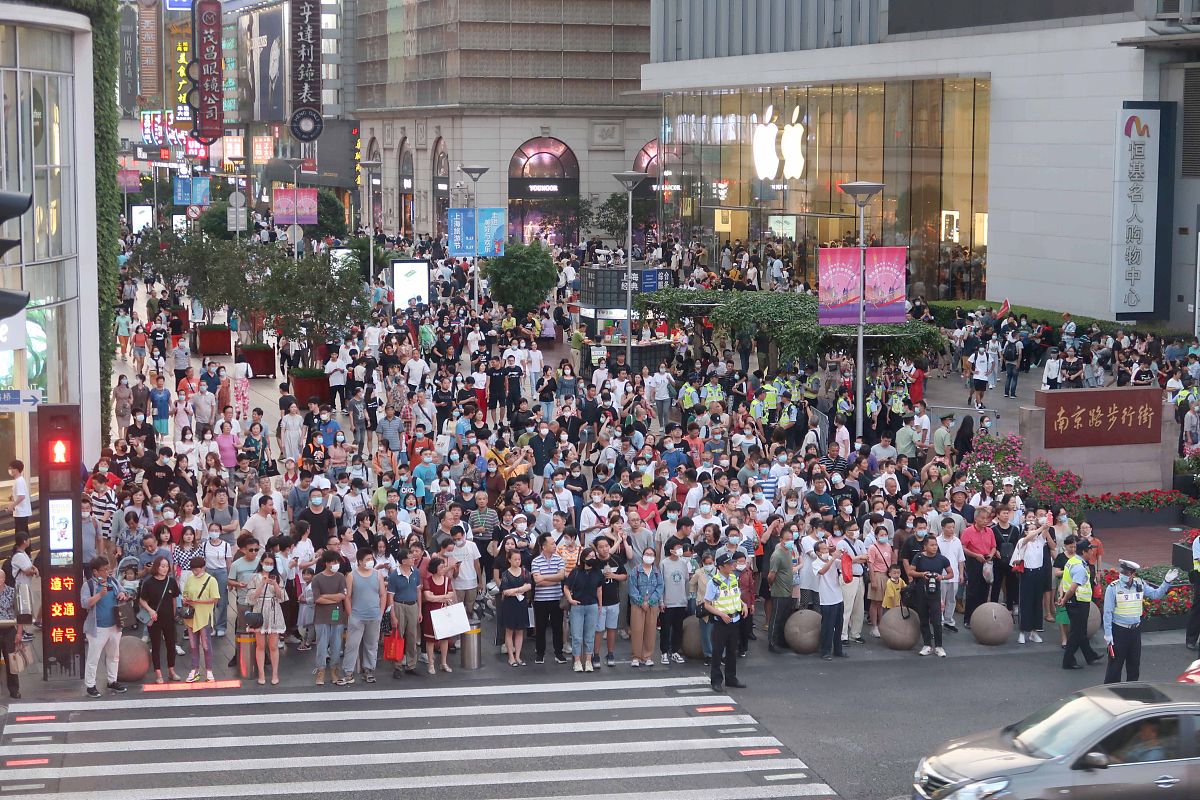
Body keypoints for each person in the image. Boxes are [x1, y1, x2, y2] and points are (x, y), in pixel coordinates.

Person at [1102, 560, 1177, 684]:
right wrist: (1108, 635)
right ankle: (1110, 694)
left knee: (1134, 665)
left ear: (1132, 574)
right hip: (1119, 631)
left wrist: (1166, 582)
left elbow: (1155, 595)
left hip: (1135, 631)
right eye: (1122, 572)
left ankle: (1132, 692)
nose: (1123, 575)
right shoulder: (1113, 588)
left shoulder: (1139, 584)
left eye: (1126, 573)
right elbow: (1108, 613)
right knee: (1115, 667)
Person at [81, 556, 129, 697]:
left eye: (108, 568)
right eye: (104, 569)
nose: (108, 572)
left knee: (114, 655)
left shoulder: (113, 581)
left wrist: (122, 594)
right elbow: (85, 604)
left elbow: (125, 593)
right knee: (93, 657)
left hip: (115, 625)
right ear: (95, 572)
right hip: (97, 627)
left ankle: (112, 680)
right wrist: (99, 595)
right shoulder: (88, 585)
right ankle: (90, 685)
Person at [341, 547, 387, 685]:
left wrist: (380, 612)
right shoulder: (352, 576)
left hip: (374, 616)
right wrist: (350, 615)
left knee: (371, 645)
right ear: (359, 561)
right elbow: (347, 597)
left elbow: (383, 594)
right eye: (367, 559)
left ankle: (369, 670)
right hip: (357, 616)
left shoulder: (377, 574)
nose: (370, 562)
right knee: (352, 645)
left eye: (371, 559)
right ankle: (348, 672)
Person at [704, 552, 747, 691]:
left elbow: (735, 596)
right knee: (717, 652)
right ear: (721, 567)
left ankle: (731, 678)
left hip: (735, 619)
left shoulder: (733, 578)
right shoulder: (714, 582)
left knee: (732, 651)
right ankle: (716, 680)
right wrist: (721, 614)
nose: (732, 566)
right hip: (721, 621)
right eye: (729, 564)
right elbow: (707, 604)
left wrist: (743, 604)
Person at [1059, 535, 1101, 670]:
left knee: (1081, 631)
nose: (1092, 552)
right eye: (1090, 550)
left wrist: (1062, 596)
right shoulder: (1080, 568)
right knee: (1077, 632)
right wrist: (1064, 599)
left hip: (1074, 600)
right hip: (1078, 601)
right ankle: (1068, 661)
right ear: (1083, 552)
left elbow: (1064, 581)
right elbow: (1073, 587)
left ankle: (1090, 655)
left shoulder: (1072, 561)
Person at [137, 554, 181, 683]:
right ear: (157, 567)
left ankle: (171, 670)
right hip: (154, 619)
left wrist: (173, 615)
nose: (165, 568)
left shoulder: (171, 581)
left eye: (167, 566)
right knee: (156, 646)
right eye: (162, 566)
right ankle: (158, 673)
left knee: (171, 645)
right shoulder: (149, 582)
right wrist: (150, 611)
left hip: (168, 619)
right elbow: (142, 600)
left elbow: (174, 599)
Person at [247, 552, 288, 685]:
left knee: (273, 646)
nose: (269, 566)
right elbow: (251, 598)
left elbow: (282, 597)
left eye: (271, 564)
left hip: (274, 609)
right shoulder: (254, 577)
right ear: (261, 563)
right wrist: (262, 584)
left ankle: (275, 674)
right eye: (267, 563)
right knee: (260, 645)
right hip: (259, 610)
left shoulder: (277, 577)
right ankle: (261, 674)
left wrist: (275, 584)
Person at [563, 545, 603, 672]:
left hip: (592, 606)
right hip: (577, 606)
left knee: (590, 636)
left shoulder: (598, 572)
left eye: (593, 556)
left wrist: (600, 605)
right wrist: (570, 600)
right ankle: (577, 661)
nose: (592, 558)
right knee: (576, 636)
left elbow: (599, 589)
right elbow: (566, 587)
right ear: (583, 558)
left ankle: (588, 661)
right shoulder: (576, 571)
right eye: (589, 556)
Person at [910, 533, 951, 657]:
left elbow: (950, 573)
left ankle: (939, 646)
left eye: (936, 545)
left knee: (937, 621)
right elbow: (910, 571)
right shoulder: (919, 557)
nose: (935, 547)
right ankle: (927, 644)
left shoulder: (942, 559)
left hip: (935, 593)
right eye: (932, 545)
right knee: (923, 619)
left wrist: (941, 577)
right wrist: (922, 574)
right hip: (921, 591)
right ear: (925, 546)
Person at [312, 550, 349, 685]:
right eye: (333, 562)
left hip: (337, 616)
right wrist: (334, 598)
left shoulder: (340, 577)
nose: (336, 564)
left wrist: (325, 596)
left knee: (337, 645)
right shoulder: (317, 578)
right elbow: (317, 599)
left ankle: (334, 670)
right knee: (321, 645)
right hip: (321, 617)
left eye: (337, 562)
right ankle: (321, 670)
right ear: (326, 563)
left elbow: (342, 596)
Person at [530, 533, 568, 665]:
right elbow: (537, 581)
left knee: (558, 627)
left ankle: (559, 652)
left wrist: (545, 578)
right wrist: (554, 578)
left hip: (556, 598)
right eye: (552, 544)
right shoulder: (535, 561)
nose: (554, 545)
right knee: (540, 627)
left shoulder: (559, 559)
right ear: (543, 546)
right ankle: (540, 653)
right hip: (540, 599)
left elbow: (561, 576)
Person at [180, 555, 219, 682]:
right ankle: (194, 669)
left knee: (206, 645)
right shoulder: (190, 578)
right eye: (193, 570)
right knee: (193, 645)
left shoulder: (211, 580)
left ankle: (209, 670)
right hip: (191, 616)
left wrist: (198, 601)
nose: (195, 572)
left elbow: (215, 598)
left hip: (204, 616)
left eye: (197, 569)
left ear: (203, 568)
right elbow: (185, 592)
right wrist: (186, 599)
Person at [386, 547, 423, 677]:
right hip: (399, 605)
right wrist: (393, 615)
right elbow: (390, 596)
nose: (413, 558)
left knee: (412, 636)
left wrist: (419, 610)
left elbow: (418, 591)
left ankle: (411, 664)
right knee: (398, 635)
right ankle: (397, 666)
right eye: (410, 556)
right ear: (403, 561)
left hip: (412, 605)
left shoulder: (416, 573)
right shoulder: (394, 576)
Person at [420, 556, 457, 674]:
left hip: (443, 610)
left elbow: (450, 594)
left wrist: (436, 598)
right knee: (430, 639)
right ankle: (431, 664)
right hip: (431, 611)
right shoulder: (428, 580)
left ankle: (443, 662)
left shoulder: (447, 580)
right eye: (441, 567)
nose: (443, 569)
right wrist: (443, 597)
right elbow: (428, 597)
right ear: (435, 568)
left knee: (445, 638)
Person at [628, 546, 663, 668]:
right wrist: (641, 601)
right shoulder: (635, 571)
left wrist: (651, 601)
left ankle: (647, 656)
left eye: (651, 554)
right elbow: (632, 588)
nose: (648, 556)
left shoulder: (657, 572)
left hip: (652, 605)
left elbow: (660, 588)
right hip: (638, 604)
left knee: (650, 630)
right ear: (643, 556)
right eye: (646, 554)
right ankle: (636, 657)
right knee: (637, 630)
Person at [812, 538, 846, 660]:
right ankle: (825, 650)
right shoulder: (816, 563)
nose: (827, 551)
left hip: (838, 597)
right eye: (824, 549)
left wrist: (844, 555)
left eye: (827, 548)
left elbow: (843, 564)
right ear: (818, 553)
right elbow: (822, 571)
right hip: (826, 599)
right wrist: (832, 558)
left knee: (839, 625)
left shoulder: (833, 560)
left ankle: (838, 649)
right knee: (828, 626)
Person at [497, 548, 532, 666]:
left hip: (521, 604)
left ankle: (518, 656)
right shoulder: (506, 574)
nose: (518, 561)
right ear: (509, 560)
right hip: (509, 604)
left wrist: (516, 590)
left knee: (520, 631)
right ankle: (511, 657)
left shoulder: (524, 571)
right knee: (509, 631)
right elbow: (505, 591)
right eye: (515, 559)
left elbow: (529, 586)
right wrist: (520, 589)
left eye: (519, 559)